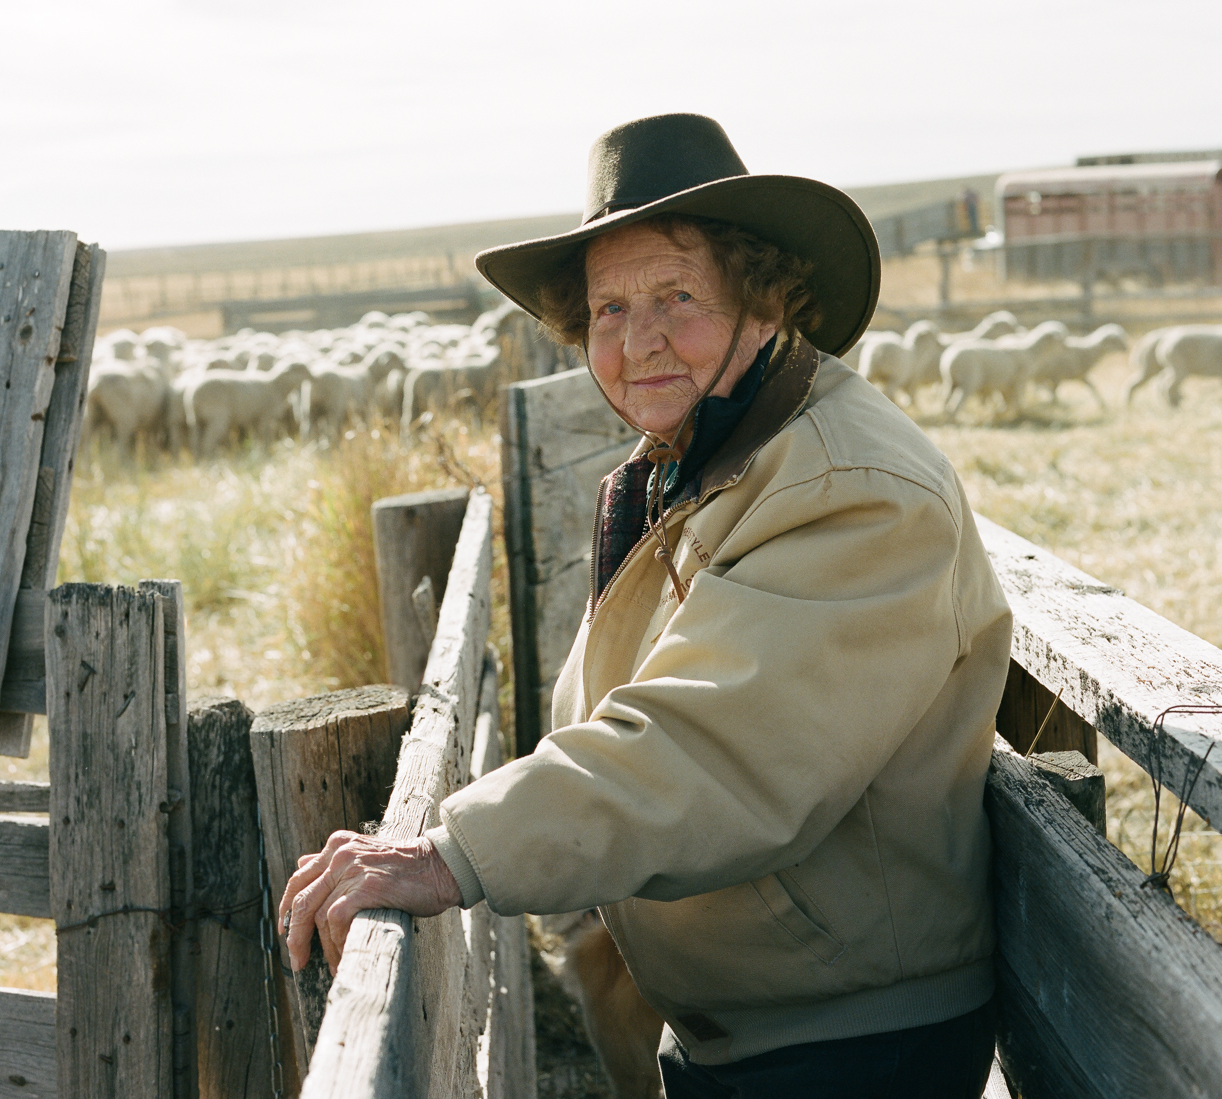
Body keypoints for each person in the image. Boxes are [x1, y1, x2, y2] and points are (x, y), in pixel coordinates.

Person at [280, 113, 1012, 1098]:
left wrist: (453, 849)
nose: (639, 340)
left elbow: (711, 744)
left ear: (767, 300)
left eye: (677, 295)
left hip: (847, 1040)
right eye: (610, 310)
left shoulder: (849, 486)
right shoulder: (706, 463)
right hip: (750, 1015)